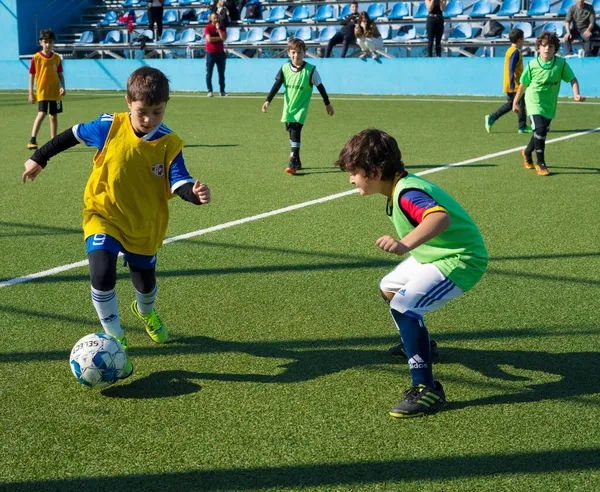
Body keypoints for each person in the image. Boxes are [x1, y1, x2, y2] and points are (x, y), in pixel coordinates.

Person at [21, 67, 211, 380]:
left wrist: (195, 194)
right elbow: (72, 134)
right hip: (103, 213)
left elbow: (180, 182)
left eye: (156, 112)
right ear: (128, 102)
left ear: (166, 105)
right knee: (101, 269)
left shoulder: (169, 143)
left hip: (144, 225)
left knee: (145, 283)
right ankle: (115, 339)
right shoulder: (109, 126)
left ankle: (145, 312)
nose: (148, 118)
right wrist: (39, 157)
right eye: (141, 112)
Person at [334, 129, 488, 418]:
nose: (351, 178)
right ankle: (422, 347)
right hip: (434, 255)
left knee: (404, 306)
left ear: (377, 170)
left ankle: (427, 389)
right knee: (389, 286)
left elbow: (439, 218)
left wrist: (404, 244)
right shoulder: (397, 188)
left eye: (355, 171)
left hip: (460, 260)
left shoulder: (408, 192)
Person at [512, 31, 586, 176]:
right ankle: (541, 163)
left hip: (549, 104)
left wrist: (576, 93)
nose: (547, 49)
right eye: (544, 46)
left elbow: (573, 79)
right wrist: (515, 102)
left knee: (541, 131)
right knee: (540, 130)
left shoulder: (561, 64)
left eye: (550, 46)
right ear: (538, 48)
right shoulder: (532, 65)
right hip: (534, 101)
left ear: (555, 48)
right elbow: (522, 85)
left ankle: (527, 152)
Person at [261, 38, 334, 175]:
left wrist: (327, 104)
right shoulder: (284, 68)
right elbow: (277, 85)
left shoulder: (310, 70)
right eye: (293, 52)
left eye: (299, 52)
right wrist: (268, 100)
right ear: (289, 53)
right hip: (289, 107)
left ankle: (293, 160)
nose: (296, 55)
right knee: (291, 131)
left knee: (295, 130)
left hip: (301, 107)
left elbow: (320, 87)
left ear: (304, 53)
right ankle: (298, 159)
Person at [484, 28, 532, 134]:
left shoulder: (510, 50)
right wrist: (511, 84)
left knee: (511, 104)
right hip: (515, 84)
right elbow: (511, 68)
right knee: (521, 104)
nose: (524, 40)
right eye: (523, 38)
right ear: (519, 39)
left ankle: (492, 117)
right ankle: (522, 126)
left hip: (511, 83)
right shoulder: (515, 52)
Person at [27, 29, 66, 150]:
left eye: (50, 42)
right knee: (42, 113)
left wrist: (63, 87)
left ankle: (53, 141)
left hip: (55, 92)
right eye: (45, 42)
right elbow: (32, 75)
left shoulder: (56, 58)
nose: (48, 44)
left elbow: (60, 74)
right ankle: (32, 139)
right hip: (42, 92)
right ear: (41, 42)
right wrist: (31, 93)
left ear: (53, 42)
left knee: (53, 116)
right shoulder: (36, 58)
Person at [204, 12, 228, 97]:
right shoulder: (207, 28)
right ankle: (210, 91)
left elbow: (224, 38)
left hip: (220, 53)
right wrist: (219, 38)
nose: (216, 20)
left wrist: (218, 30)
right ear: (211, 19)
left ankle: (222, 91)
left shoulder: (222, 28)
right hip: (210, 53)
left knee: (221, 73)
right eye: (214, 18)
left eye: (217, 18)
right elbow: (209, 39)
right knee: (209, 73)